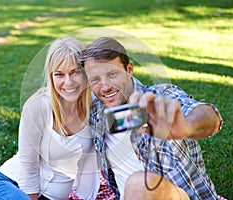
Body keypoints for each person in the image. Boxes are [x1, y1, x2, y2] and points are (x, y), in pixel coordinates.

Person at [79, 37, 224, 200]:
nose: (105, 87)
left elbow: (209, 116)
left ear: (129, 69)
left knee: (140, 182)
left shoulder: (160, 98)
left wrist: (187, 126)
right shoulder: (96, 109)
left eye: (112, 74)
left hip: (179, 196)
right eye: (95, 79)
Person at [0, 37, 100, 200]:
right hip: (11, 185)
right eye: (59, 74)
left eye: (75, 72)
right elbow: (28, 169)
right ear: (51, 77)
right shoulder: (38, 107)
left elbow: (123, 88)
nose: (68, 82)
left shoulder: (94, 104)